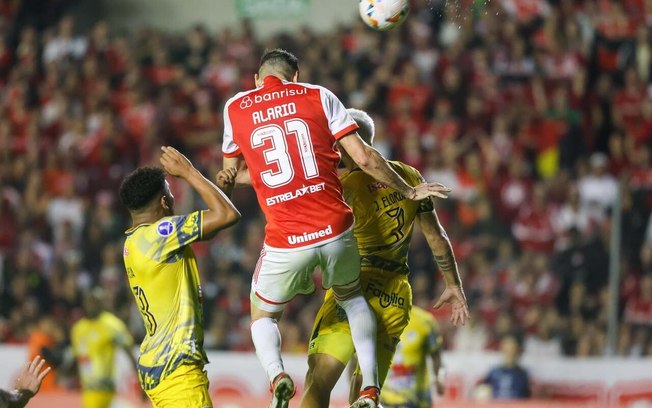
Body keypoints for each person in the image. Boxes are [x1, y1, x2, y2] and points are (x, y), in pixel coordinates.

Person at [219, 49, 450, 408]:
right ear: (295, 76)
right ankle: (371, 389)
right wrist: (409, 191)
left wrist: (227, 178)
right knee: (352, 298)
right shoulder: (319, 97)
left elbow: (231, 170)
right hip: (351, 249)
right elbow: (365, 158)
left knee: (267, 322)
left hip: (287, 237)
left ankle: (277, 374)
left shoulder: (236, 106)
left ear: (256, 79)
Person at [301, 109, 468, 407]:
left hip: (354, 286)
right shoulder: (410, 175)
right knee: (365, 390)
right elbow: (436, 236)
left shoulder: (344, 187)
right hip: (395, 294)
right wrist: (453, 285)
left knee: (320, 378)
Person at [119, 146, 240, 408]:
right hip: (177, 370)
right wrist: (189, 172)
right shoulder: (160, 234)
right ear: (165, 201)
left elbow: (211, 227)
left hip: (158, 363)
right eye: (171, 192)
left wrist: (223, 194)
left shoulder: (137, 240)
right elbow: (228, 216)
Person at [70, 288, 139, 408]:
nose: (91, 304)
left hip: (104, 388)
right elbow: (77, 357)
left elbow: (129, 351)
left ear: (101, 303)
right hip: (86, 388)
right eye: (89, 301)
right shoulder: (78, 329)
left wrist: (140, 381)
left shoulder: (111, 324)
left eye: (95, 301)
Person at [380, 305, 446, 408]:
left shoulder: (425, 321)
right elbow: (357, 359)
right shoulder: (376, 320)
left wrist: (440, 377)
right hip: (385, 401)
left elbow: (436, 356)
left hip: (418, 401)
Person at [480, 335, 531, 399]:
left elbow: (525, 396)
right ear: (502, 349)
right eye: (507, 348)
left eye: (512, 348)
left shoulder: (522, 374)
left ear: (517, 350)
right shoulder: (493, 372)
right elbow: (484, 391)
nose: (510, 351)